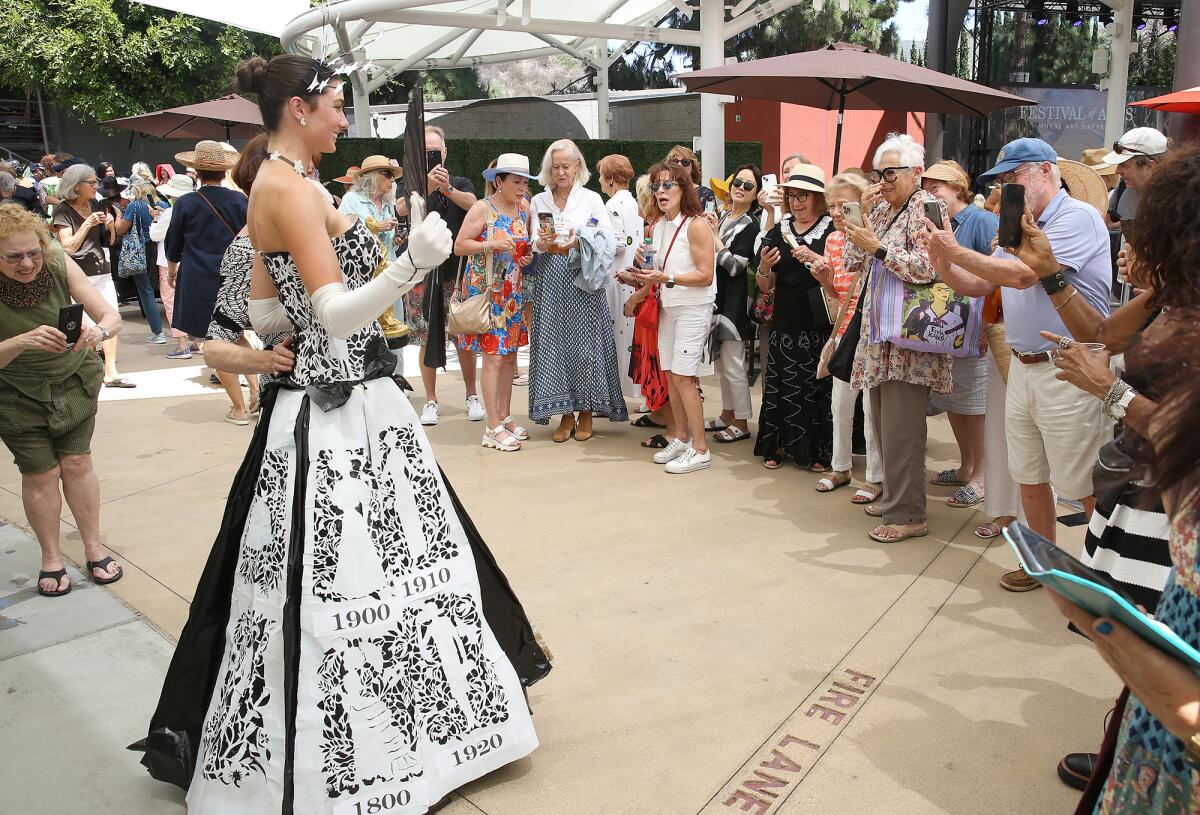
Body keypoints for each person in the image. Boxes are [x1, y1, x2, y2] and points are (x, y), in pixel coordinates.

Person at [134, 53, 547, 811]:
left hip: (354, 402)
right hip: (332, 412)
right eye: (334, 105)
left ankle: (419, 741)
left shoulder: (292, 184)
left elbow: (266, 306)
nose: (345, 119)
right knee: (351, 579)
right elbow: (332, 312)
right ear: (298, 108)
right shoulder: (286, 187)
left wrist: (275, 333)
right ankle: (374, 759)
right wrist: (410, 269)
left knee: (393, 571)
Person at [927, 137, 1112, 590]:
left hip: (1070, 365)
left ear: (1046, 171)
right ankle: (1042, 566)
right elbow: (977, 283)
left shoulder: (1078, 217)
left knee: (1084, 481)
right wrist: (945, 261)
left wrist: (953, 254)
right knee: (1029, 475)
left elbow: (1024, 274)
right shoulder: (1015, 226)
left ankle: (1111, 578)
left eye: (1014, 176)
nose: (1007, 185)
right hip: (1026, 363)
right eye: (1003, 179)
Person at [0, 205, 124, 596]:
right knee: (39, 473)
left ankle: (94, 548)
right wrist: (20, 341)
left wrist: (99, 333)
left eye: (32, 252)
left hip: (72, 381)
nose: (27, 263)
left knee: (77, 461)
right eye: (14, 256)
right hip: (14, 391)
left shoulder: (55, 259)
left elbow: (108, 314)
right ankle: (51, 557)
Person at [842, 133, 949, 543]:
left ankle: (909, 515)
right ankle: (897, 500)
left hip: (910, 339)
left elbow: (930, 268)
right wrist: (860, 224)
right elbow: (856, 262)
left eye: (890, 172)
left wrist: (879, 247)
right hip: (880, 337)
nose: (882, 181)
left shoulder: (929, 209)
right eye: (878, 173)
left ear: (916, 173)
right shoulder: (884, 209)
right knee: (885, 426)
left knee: (904, 429)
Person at [529, 138, 628, 441]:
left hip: (582, 277)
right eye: (555, 166)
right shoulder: (538, 201)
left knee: (586, 345)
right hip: (549, 276)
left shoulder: (591, 198)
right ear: (549, 169)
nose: (560, 172)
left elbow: (609, 240)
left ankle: (586, 412)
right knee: (555, 345)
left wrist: (580, 238)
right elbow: (533, 241)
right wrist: (541, 243)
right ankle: (565, 414)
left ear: (577, 168)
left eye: (566, 166)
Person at [629, 161, 716, 473]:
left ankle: (701, 448)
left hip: (693, 308)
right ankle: (680, 437)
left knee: (683, 377)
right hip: (669, 307)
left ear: (684, 189)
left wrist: (665, 277)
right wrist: (637, 275)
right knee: (669, 375)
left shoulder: (697, 225)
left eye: (668, 185)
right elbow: (659, 273)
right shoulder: (658, 227)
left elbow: (706, 275)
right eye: (656, 186)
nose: (660, 191)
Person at [921, 160, 997, 508]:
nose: (931, 191)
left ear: (957, 188)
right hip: (946, 327)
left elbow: (998, 274)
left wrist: (986, 323)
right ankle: (967, 466)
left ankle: (982, 476)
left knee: (975, 402)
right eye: (927, 185)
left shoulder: (980, 220)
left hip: (976, 324)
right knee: (954, 398)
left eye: (938, 185)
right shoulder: (933, 222)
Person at [753, 164, 836, 470]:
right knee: (781, 386)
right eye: (792, 196)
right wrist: (763, 266)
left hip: (818, 322)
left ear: (818, 198)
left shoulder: (832, 229)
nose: (798, 203)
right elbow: (765, 285)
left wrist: (816, 259)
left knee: (815, 389)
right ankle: (777, 447)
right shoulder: (780, 230)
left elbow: (842, 275)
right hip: (785, 322)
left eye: (804, 196)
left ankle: (815, 451)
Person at [808, 172, 883, 500]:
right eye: (833, 206)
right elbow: (839, 294)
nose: (837, 212)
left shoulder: (874, 234)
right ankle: (840, 467)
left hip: (873, 332)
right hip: (844, 330)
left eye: (844, 205)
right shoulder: (833, 240)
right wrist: (825, 280)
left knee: (871, 407)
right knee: (840, 403)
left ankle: (875, 477)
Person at [164, 140, 250, 424]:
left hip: (200, 280)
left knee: (213, 342)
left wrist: (172, 271)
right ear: (225, 171)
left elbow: (173, 245)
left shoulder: (187, 202)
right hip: (236, 278)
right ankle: (257, 392)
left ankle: (239, 407)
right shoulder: (240, 201)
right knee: (236, 335)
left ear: (196, 172)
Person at [454, 153, 536, 451]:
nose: (522, 187)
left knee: (509, 358)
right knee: (493, 358)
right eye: (516, 182)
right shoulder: (482, 208)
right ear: (498, 182)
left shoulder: (523, 209)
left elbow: (522, 249)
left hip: (512, 293)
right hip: (488, 293)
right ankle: (492, 428)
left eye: (525, 182)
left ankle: (503, 417)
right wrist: (490, 244)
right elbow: (460, 246)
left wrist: (525, 257)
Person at [407, 125, 484, 424]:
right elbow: (402, 209)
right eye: (426, 152)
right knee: (426, 337)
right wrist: (424, 187)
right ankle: (430, 400)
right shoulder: (413, 183)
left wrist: (446, 188)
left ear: (445, 152)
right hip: (422, 275)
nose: (431, 156)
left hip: (457, 273)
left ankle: (471, 395)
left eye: (435, 151)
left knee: (463, 335)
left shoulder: (459, 181)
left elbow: (476, 206)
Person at [51, 163, 135, 388]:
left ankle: (111, 370)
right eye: (91, 182)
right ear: (76, 186)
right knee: (86, 326)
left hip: (102, 270)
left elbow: (111, 240)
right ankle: (90, 370)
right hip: (79, 275)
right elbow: (67, 247)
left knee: (111, 318)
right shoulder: (63, 210)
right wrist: (88, 223)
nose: (95, 186)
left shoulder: (96, 203)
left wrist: (111, 225)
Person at [702, 163, 760, 443]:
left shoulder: (751, 226)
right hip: (719, 298)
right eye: (738, 182)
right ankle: (727, 414)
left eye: (748, 185)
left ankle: (742, 421)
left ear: (756, 194)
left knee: (734, 363)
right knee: (723, 363)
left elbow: (735, 266)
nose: (740, 188)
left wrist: (714, 238)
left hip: (736, 302)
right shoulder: (724, 217)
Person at [625, 174, 673, 448]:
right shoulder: (653, 228)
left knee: (654, 363)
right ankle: (658, 414)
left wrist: (635, 297)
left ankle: (667, 420)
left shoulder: (655, 229)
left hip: (652, 308)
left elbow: (656, 278)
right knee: (650, 362)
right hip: (650, 304)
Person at [598, 154, 643, 403]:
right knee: (630, 335)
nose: (601, 183)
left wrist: (593, 239)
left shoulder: (612, 205)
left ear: (611, 179)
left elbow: (617, 244)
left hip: (619, 278)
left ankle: (615, 393)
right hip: (633, 276)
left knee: (617, 334)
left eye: (602, 177)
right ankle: (635, 390)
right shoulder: (635, 202)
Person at [151, 174, 198, 359]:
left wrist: (155, 219)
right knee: (191, 301)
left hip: (169, 262)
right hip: (192, 261)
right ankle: (198, 342)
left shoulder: (171, 212)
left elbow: (155, 235)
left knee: (171, 302)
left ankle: (181, 345)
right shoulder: (197, 209)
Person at [114, 180, 167, 344]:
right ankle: (182, 331)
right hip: (163, 250)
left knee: (146, 292)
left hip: (142, 251)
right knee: (170, 291)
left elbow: (121, 229)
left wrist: (117, 216)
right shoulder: (163, 203)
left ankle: (158, 333)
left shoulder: (134, 206)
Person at [666, 145, 714, 210]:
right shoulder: (663, 191)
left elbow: (710, 216)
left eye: (685, 162)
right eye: (675, 162)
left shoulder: (707, 194)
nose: (680, 165)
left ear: (693, 166)